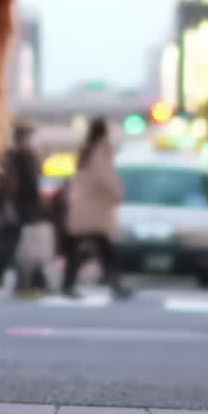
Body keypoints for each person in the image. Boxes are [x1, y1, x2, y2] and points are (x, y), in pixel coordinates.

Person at [62, 117, 132, 300]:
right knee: (105, 248)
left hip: (82, 206)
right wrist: (118, 193)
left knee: (79, 247)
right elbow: (105, 176)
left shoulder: (86, 150)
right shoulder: (101, 150)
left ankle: (68, 284)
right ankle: (114, 283)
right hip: (94, 208)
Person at [0, 123, 42, 291]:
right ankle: (15, 277)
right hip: (15, 206)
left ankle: (3, 276)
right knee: (13, 242)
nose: (29, 140)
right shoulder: (18, 157)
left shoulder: (13, 156)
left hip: (14, 206)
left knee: (11, 241)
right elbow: (24, 186)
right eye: (27, 137)